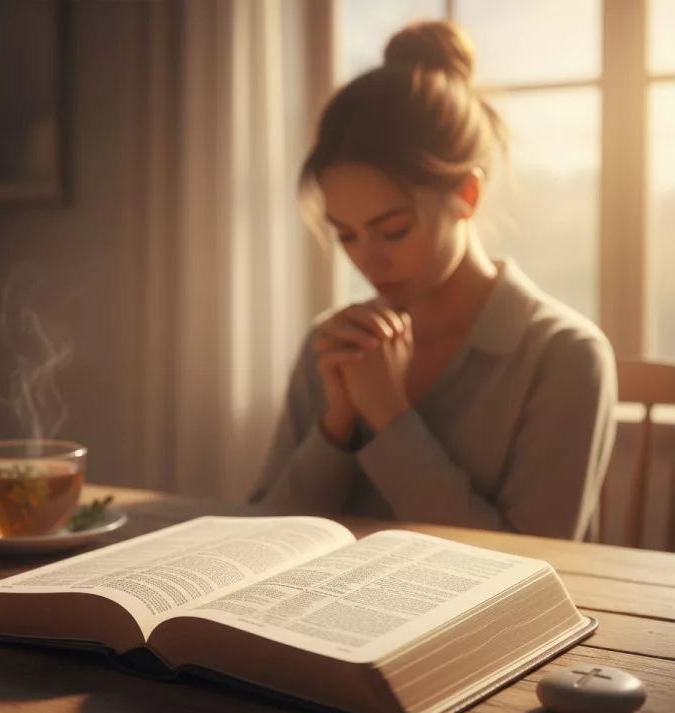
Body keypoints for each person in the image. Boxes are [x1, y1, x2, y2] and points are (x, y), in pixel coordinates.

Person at [248, 19, 617, 540]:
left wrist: (389, 418)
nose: (367, 262)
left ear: (467, 196)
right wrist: (336, 426)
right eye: (346, 235)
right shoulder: (332, 345)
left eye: (393, 231)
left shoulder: (564, 357)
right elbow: (263, 535)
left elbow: (536, 561)